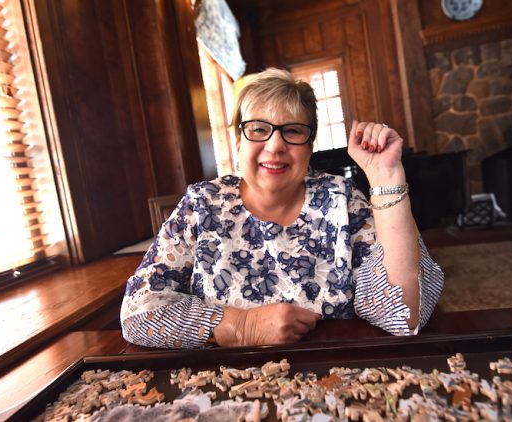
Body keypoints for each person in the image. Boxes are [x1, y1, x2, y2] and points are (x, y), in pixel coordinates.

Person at [121, 68, 443, 348]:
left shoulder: (341, 200)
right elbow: (138, 311)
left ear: (309, 145)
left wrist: (385, 176)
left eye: (292, 131)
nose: (275, 146)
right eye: (259, 129)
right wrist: (241, 327)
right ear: (238, 141)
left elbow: (402, 314)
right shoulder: (201, 205)